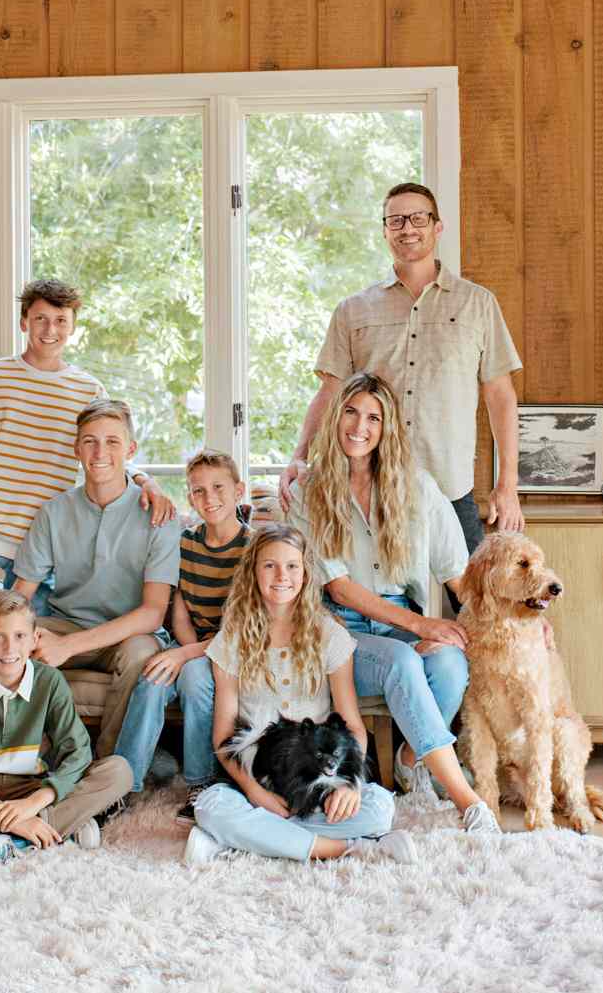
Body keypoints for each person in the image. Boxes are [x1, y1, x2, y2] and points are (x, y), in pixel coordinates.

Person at [0, 280, 177, 807]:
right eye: (41, 318)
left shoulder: (86, 388)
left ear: (73, 326)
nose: (51, 329)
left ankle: (44, 764)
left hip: (37, 550)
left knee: (19, 649)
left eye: (61, 321)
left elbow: (105, 446)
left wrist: (150, 483)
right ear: (25, 321)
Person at [286, 371, 500, 834]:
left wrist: (510, 623)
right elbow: (339, 588)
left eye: (373, 417)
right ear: (334, 417)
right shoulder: (307, 491)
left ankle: (409, 759)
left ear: (387, 429)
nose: (359, 426)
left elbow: (458, 577)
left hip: (401, 618)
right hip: (338, 628)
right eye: (350, 411)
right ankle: (468, 803)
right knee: (404, 659)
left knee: (450, 664)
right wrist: (422, 627)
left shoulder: (418, 487)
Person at [278, 182, 524, 552]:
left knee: (475, 602)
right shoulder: (353, 310)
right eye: (396, 221)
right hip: (370, 486)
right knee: (373, 601)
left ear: (437, 227)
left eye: (418, 218)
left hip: (450, 485)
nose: (407, 228)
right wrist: (299, 456)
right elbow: (330, 392)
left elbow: (500, 396)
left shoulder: (478, 304)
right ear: (384, 231)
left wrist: (508, 485)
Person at [186, 525, 414, 865]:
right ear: (253, 572)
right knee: (211, 807)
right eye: (269, 566)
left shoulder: (329, 634)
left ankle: (239, 841)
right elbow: (223, 737)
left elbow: (351, 724)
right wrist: (253, 791)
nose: (282, 576)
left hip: (317, 780)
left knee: (379, 807)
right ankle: (350, 847)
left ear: (306, 573)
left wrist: (350, 786)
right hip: (257, 776)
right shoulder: (232, 638)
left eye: (292, 566)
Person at [3, 398, 180, 759]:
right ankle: (31, 762)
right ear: (76, 449)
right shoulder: (53, 513)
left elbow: (152, 613)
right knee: (5, 647)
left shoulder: (159, 516)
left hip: (129, 633)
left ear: (130, 449)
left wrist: (69, 647)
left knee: (143, 655)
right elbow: (20, 596)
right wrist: (6, 633)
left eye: (112, 442)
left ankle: (108, 767)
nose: (100, 452)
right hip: (66, 622)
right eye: (90, 441)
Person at [0, 589, 132, 874]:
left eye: (19, 636)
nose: (9, 649)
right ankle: (45, 829)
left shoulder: (50, 682)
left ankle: (5, 841)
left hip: (33, 787)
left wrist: (34, 803)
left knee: (119, 771)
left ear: (34, 640)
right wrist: (7, 813)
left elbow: (78, 751)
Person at [113, 450, 250, 823]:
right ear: (190, 497)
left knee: (192, 677)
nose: (209, 498)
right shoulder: (187, 543)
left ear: (238, 491)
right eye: (199, 491)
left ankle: (201, 784)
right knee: (153, 675)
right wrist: (182, 649)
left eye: (218, 488)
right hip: (192, 644)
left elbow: (245, 630)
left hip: (235, 648)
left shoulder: (252, 549)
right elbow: (181, 609)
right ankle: (122, 782)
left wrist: (187, 655)